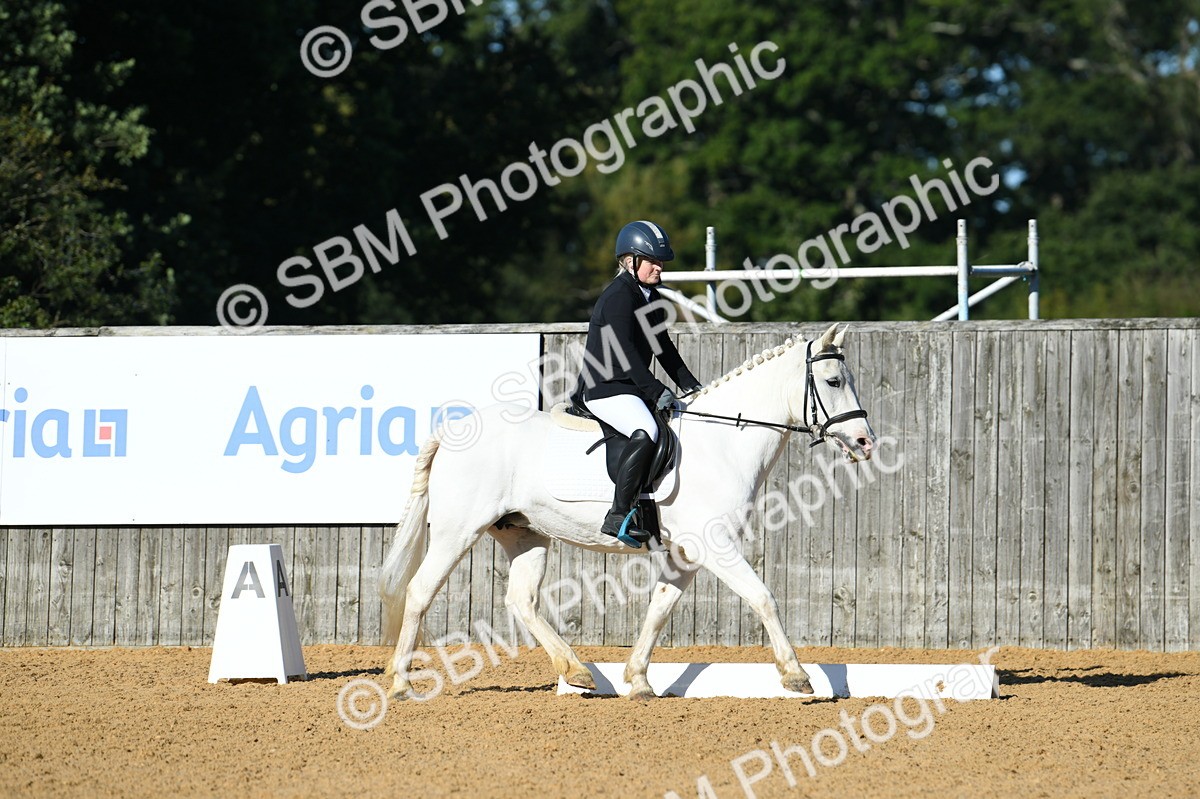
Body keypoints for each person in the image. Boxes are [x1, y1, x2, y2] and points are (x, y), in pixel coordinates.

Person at [574, 220, 703, 546]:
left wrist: (693, 387)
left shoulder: (650, 297)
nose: (659, 267)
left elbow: (664, 349)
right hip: (604, 388)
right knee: (646, 430)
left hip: (629, 388)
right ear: (630, 261)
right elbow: (627, 352)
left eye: (661, 262)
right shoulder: (618, 297)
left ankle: (651, 514)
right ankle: (618, 514)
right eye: (652, 261)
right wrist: (656, 390)